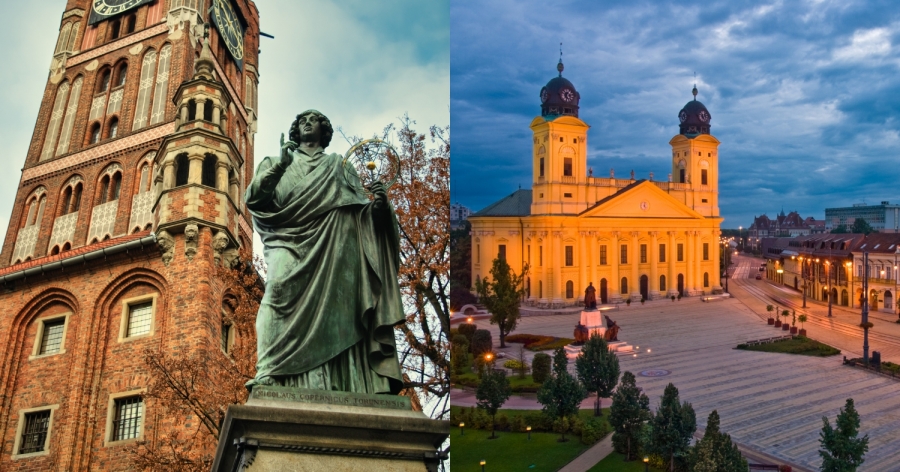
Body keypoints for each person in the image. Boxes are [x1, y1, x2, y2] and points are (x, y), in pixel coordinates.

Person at [244, 110, 404, 395]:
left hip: (335, 245)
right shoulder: (275, 161)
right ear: (296, 129)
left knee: (341, 309)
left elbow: (360, 215)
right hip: (286, 240)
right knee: (276, 290)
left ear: (323, 129)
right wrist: (280, 166)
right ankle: (269, 369)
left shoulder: (339, 166)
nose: (307, 122)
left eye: (314, 119)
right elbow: (255, 199)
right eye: (302, 119)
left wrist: (379, 207)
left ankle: (343, 381)